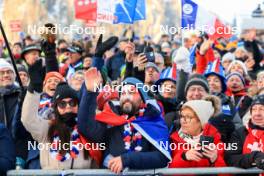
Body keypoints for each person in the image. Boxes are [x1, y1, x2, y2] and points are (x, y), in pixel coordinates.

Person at [78, 69, 170, 174]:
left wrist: (126, 160)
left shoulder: (154, 120)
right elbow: (86, 129)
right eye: (123, 93)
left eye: (131, 92)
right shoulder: (112, 119)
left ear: (142, 98)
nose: (126, 96)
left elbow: (162, 157)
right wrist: (90, 93)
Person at [21, 63, 101, 169]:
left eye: (72, 103)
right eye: (62, 104)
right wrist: (33, 89)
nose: (68, 107)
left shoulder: (87, 130)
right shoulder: (47, 128)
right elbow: (28, 120)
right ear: (56, 108)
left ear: (78, 105)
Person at [169, 95, 227, 171]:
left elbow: (226, 173)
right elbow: (167, 171)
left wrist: (215, 160)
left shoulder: (216, 143)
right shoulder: (172, 140)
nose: (183, 120)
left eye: (188, 117)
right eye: (182, 116)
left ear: (201, 122)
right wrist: (183, 158)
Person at [225, 95, 264, 176]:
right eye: (254, 109)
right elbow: (231, 158)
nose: (257, 114)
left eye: (262, 109)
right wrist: (254, 157)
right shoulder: (239, 132)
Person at [0, 59, 20, 130]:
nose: (6, 75)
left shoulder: (22, 95)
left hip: (19, 139)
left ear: (14, 76)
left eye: (9, 72)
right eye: (2, 73)